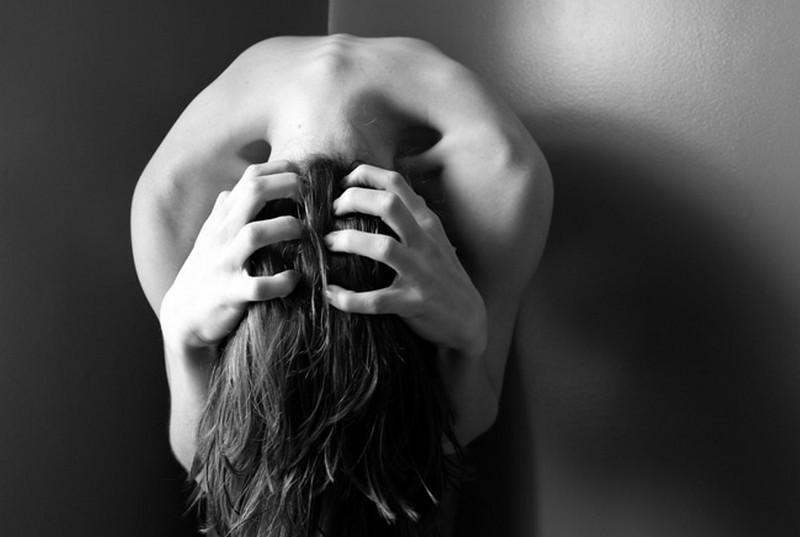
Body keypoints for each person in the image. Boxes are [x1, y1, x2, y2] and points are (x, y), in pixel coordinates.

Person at [131, 34, 552, 535]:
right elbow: (211, 458)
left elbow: (206, 458)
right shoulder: (502, 180)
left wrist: (181, 338)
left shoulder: (175, 205)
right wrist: (469, 338)